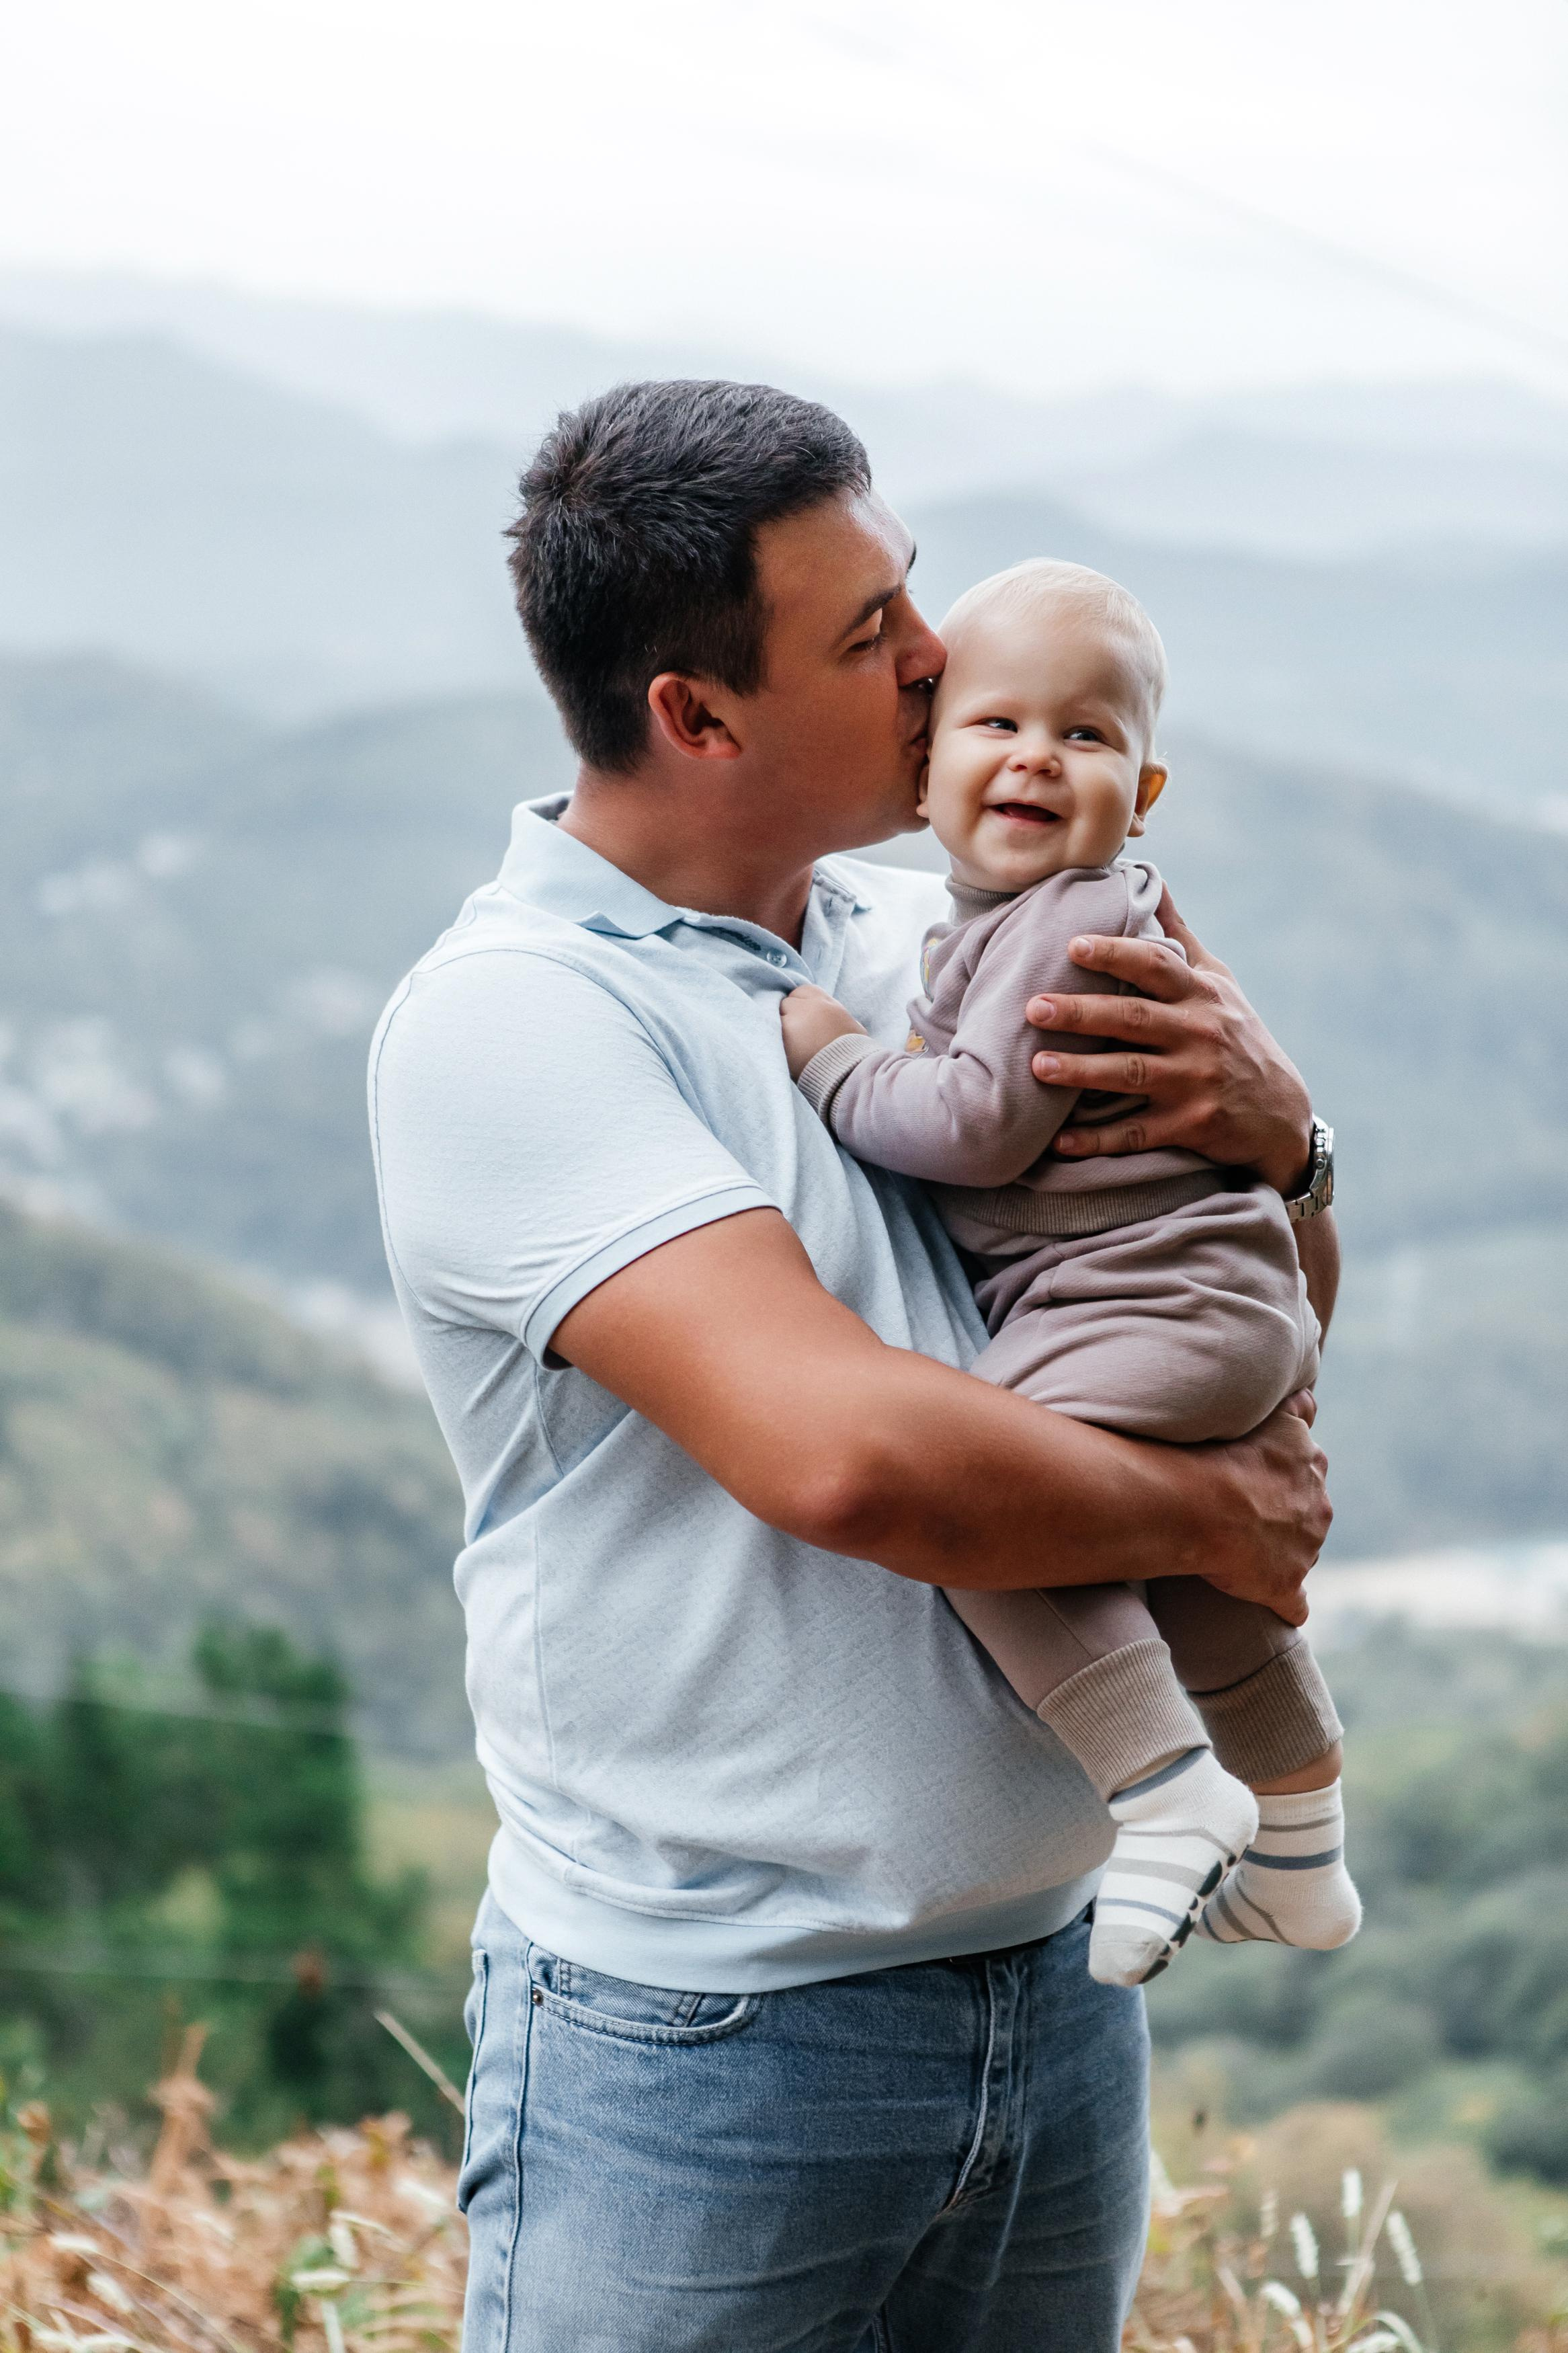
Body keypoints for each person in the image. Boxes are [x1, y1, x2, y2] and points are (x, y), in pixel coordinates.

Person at [368, 378, 1334, 2352]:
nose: (939, 657)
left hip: (1057, 1993)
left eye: (911, 595)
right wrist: (1209, 1512)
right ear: (694, 716)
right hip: (705, 2047)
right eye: (869, 633)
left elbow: (1262, 1286)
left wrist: (1283, 1132)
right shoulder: (517, 1021)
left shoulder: (954, 928)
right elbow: (849, 1464)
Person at [780, 557, 1358, 1993]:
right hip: (1219, 1314)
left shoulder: (1057, 927)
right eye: (997, 724)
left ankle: (1167, 1786)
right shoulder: (1044, 912)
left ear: (1143, 794)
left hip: (1138, 1311)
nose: (1039, 754)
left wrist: (839, 1062)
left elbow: (974, 1126)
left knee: (985, 1510)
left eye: (1089, 736)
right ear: (925, 765)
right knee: (1196, 1579)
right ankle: (1302, 1844)